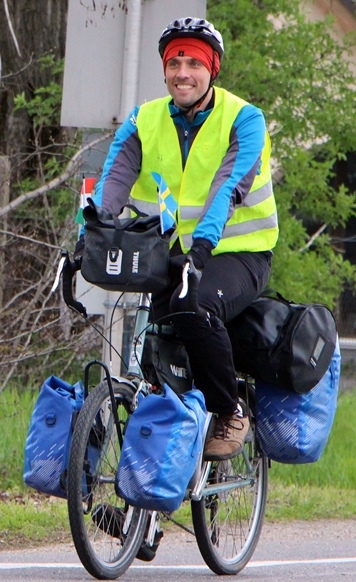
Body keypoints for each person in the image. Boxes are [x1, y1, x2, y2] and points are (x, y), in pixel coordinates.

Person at [87, 16, 279, 461]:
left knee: (196, 306)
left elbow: (227, 189)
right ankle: (148, 496)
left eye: (194, 62)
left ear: (211, 69)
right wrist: (90, 234)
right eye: (174, 63)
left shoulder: (244, 120)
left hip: (238, 253)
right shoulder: (144, 119)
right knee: (159, 350)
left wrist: (201, 250)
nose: (182, 73)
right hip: (174, 253)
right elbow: (113, 181)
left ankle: (230, 409)